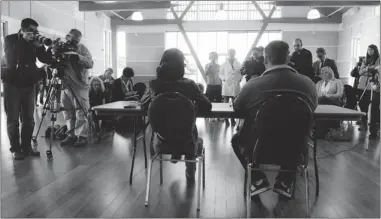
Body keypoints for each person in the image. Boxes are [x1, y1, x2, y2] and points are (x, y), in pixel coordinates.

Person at [232, 40, 318, 198]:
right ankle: (285, 181)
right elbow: (312, 107)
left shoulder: (252, 85)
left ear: (265, 60)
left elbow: (237, 107)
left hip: (260, 149)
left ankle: (257, 180)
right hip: (296, 150)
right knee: (293, 134)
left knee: (237, 140)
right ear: (288, 58)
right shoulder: (308, 84)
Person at [144, 48, 212, 182]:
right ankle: (190, 172)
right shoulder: (190, 85)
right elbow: (207, 106)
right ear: (182, 65)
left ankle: (175, 152)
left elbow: (144, 106)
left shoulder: (154, 85)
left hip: (161, 142)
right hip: (187, 142)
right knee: (193, 133)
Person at [2, 18, 53, 160]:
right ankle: (15, 149)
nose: (34, 33)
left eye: (36, 30)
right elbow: (11, 58)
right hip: (12, 83)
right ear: (23, 29)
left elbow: (46, 60)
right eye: (31, 30)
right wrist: (23, 40)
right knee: (13, 119)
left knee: (29, 119)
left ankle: (26, 147)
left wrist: (47, 47)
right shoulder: (10, 39)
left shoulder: (35, 42)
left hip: (29, 83)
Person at [57, 29, 93, 148]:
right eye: (73, 39)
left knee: (81, 110)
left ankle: (81, 136)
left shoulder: (82, 48)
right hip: (65, 84)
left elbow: (90, 63)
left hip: (79, 84)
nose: (74, 42)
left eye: (77, 41)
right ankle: (71, 134)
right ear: (68, 36)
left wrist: (77, 57)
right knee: (67, 111)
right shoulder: (61, 46)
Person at [315, 66, 344, 138]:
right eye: (322, 73)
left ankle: (323, 131)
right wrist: (322, 95)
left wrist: (329, 95)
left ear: (330, 73)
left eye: (325, 73)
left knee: (323, 100)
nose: (323, 74)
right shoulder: (319, 82)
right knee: (321, 101)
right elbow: (315, 93)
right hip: (321, 101)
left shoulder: (337, 81)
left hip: (334, 102)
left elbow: (339, 94)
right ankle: (321, 130)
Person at [357, 44, 380, 132]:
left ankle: (375, 125)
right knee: (362, 104)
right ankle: (364, 122)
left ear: (375, 50)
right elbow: (360, 72)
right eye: (368, 50)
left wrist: (367, 69)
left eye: (371, 50)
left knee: (374, 106)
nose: (369, 51)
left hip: (373, 85)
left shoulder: (378, 59)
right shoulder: (365, 59)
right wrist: (368, 69)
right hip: (363, 84)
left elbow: (377, 68)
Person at [219, 49, 242, 126]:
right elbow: (220, 74)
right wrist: (224, 79)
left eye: (233, 53)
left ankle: (232, 118)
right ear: (228, 53)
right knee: (226, 103)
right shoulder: (224, 64)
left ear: (235, 53)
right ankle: (226, 119)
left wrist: (239, 78)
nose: (231, 54)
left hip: (235, 84)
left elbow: (241, 72)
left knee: (234, 103)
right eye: (230, 53)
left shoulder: (238, 63)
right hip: (227, 84)